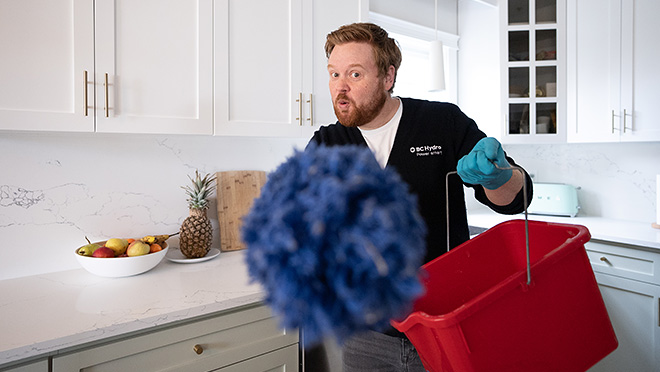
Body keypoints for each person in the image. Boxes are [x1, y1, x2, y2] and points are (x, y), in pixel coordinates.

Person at [306, 22, 532, 371]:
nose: (341, 87)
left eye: (355, 73)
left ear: (387, 76)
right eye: (334, 74)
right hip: (366, 337)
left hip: (448, 325)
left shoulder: (442, 123)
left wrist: (500, 175)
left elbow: (515, 199)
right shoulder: (326, 144)